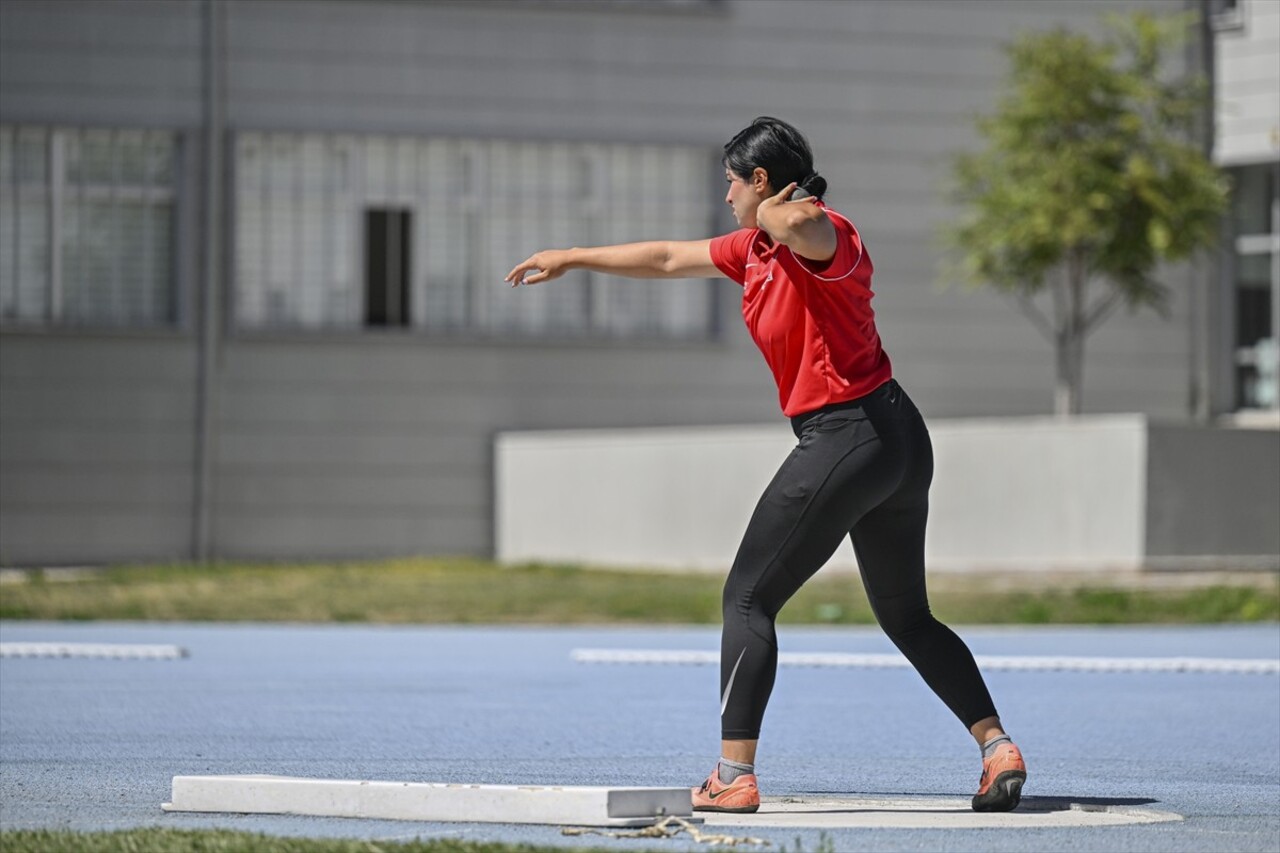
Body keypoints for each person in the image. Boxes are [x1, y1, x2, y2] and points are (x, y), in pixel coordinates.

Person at [505, 117, 1027, 815]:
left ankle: (732, 774)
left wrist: (787, 206)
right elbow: (664, 257)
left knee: (747, 599)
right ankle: (997, 747)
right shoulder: (750, 248)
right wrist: (571, 255)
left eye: (731, 182)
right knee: (906, 613)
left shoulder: (825, 234)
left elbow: (810, 230)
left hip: (853, 433)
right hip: (892, 437)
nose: (724, 198)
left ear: (760, 181)